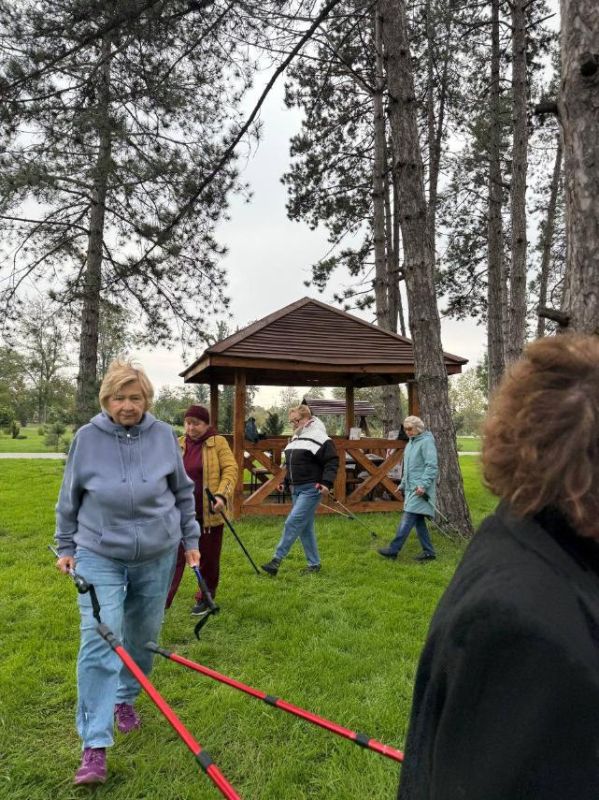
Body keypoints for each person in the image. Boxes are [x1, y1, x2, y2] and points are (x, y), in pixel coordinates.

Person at [397, 334, 599, 800]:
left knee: (414, 529)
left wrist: (422, 485)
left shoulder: (529, 531)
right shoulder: (528, 633)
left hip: (420, 498)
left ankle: (413, 546)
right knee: (411, 528)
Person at [54, 360, 200, 786]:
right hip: (99, 551)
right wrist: (66, 546)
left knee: (141, 638)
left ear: (147, 400)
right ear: (106, 400)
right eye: (119, 398)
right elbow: (69, 498)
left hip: (157, 552)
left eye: (135, 398)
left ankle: (125, 698)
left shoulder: (162, 437)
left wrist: (190, 541)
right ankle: (94, 746)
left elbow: (182, 493)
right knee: (100, 638)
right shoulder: (87, 439)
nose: (127, 405)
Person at [166, 404, 237, 615]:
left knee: (208, 558)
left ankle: (205, 597)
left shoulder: (218, 443)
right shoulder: (178, 445)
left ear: (206, 424)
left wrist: (222, 495)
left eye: (196, 423)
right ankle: (163, 599)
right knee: (173, 557)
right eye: (187, 423)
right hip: (179, 513)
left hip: (208, 512)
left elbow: (231, 469)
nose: (190, 428)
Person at [261, 404, 339, 575]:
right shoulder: (295, 438)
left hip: (311, 489)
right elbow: (291, 464)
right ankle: (314, 564)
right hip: (296, 489)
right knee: (305, 528)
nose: (293, 424)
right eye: (291, 421)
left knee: (292, 522)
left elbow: (332, 461)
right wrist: (285, 481)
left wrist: (327, 483)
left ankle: (276, 561)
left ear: (307, 419)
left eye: (296, 420)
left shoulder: (320, 437)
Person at [378, 415, 438, 562]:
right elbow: (409, 468)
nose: (407, 432)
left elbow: (432, 467)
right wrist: (403, 484)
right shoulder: (411, 443)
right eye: (405, 429)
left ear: (418, 428)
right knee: (418, 521)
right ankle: (429, 553)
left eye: (410, 429)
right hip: (412, 488)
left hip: (420, 489)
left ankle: (393, 550)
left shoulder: (426, 442)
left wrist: (423, 485)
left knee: (408, 517)